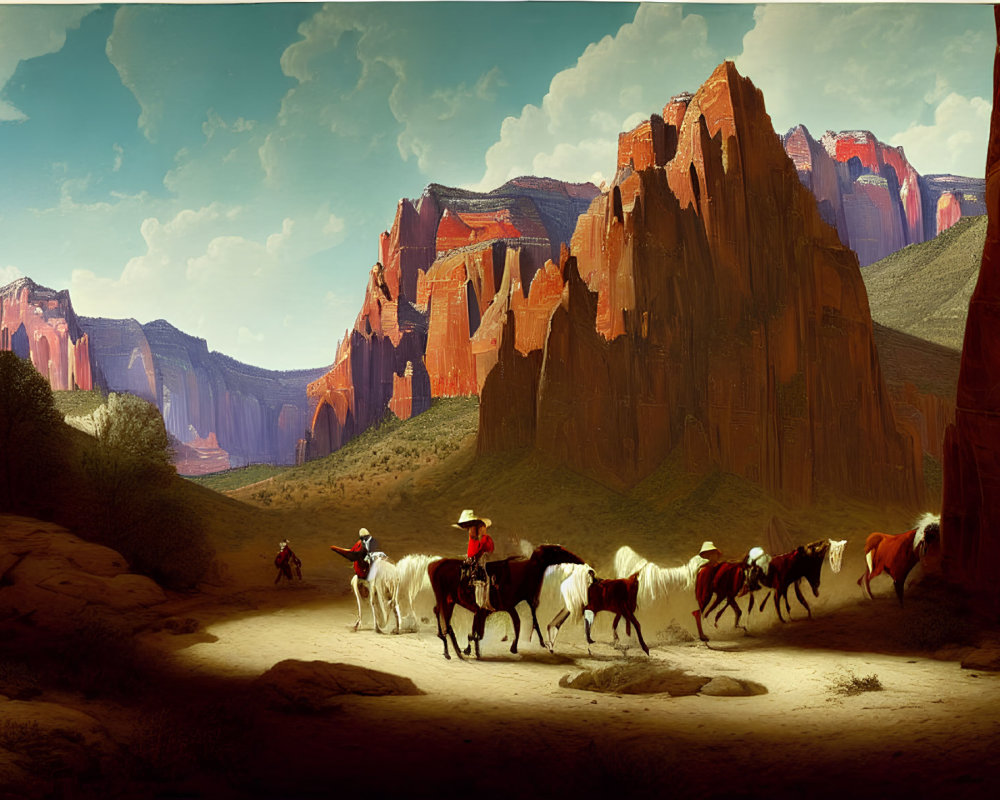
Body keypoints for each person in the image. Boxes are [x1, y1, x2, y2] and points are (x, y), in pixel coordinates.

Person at [454, 509, 494, 611]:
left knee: (484, 576)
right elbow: (478, 548)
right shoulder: (475, 531)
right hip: (476, 556)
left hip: (474, 555)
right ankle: (484, 603)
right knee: (485, 578)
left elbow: (477, 547)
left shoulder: (474, 530)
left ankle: (483, 602)